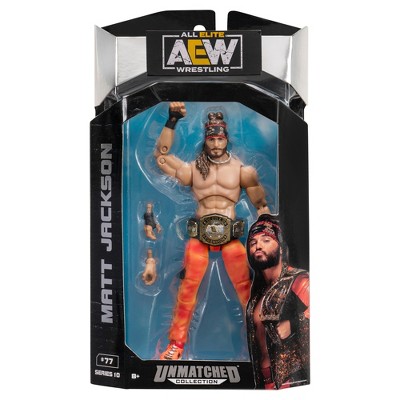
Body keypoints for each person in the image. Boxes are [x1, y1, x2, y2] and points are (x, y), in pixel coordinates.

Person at [143, 101, 270, 360]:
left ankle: (260, 343)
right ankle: (176, 345)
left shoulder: (242, 171)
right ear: (206, 139)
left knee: (247, 291)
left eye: (219, 139)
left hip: (231, 238)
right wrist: (172, 120)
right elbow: (161, 158)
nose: (215, 144)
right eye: (211, 139)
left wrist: (266, 232)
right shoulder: (193, 170)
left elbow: (262, 208)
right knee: (187, 292)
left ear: (226, 139)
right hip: (199, 238)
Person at [246, 214, 310, 389]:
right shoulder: (258, 295)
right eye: (252, 243)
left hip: (292, 380)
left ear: (281, 248)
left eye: (266, 240)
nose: (258, 246)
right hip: (263, 381)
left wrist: (294, 323)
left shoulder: (299, 280)